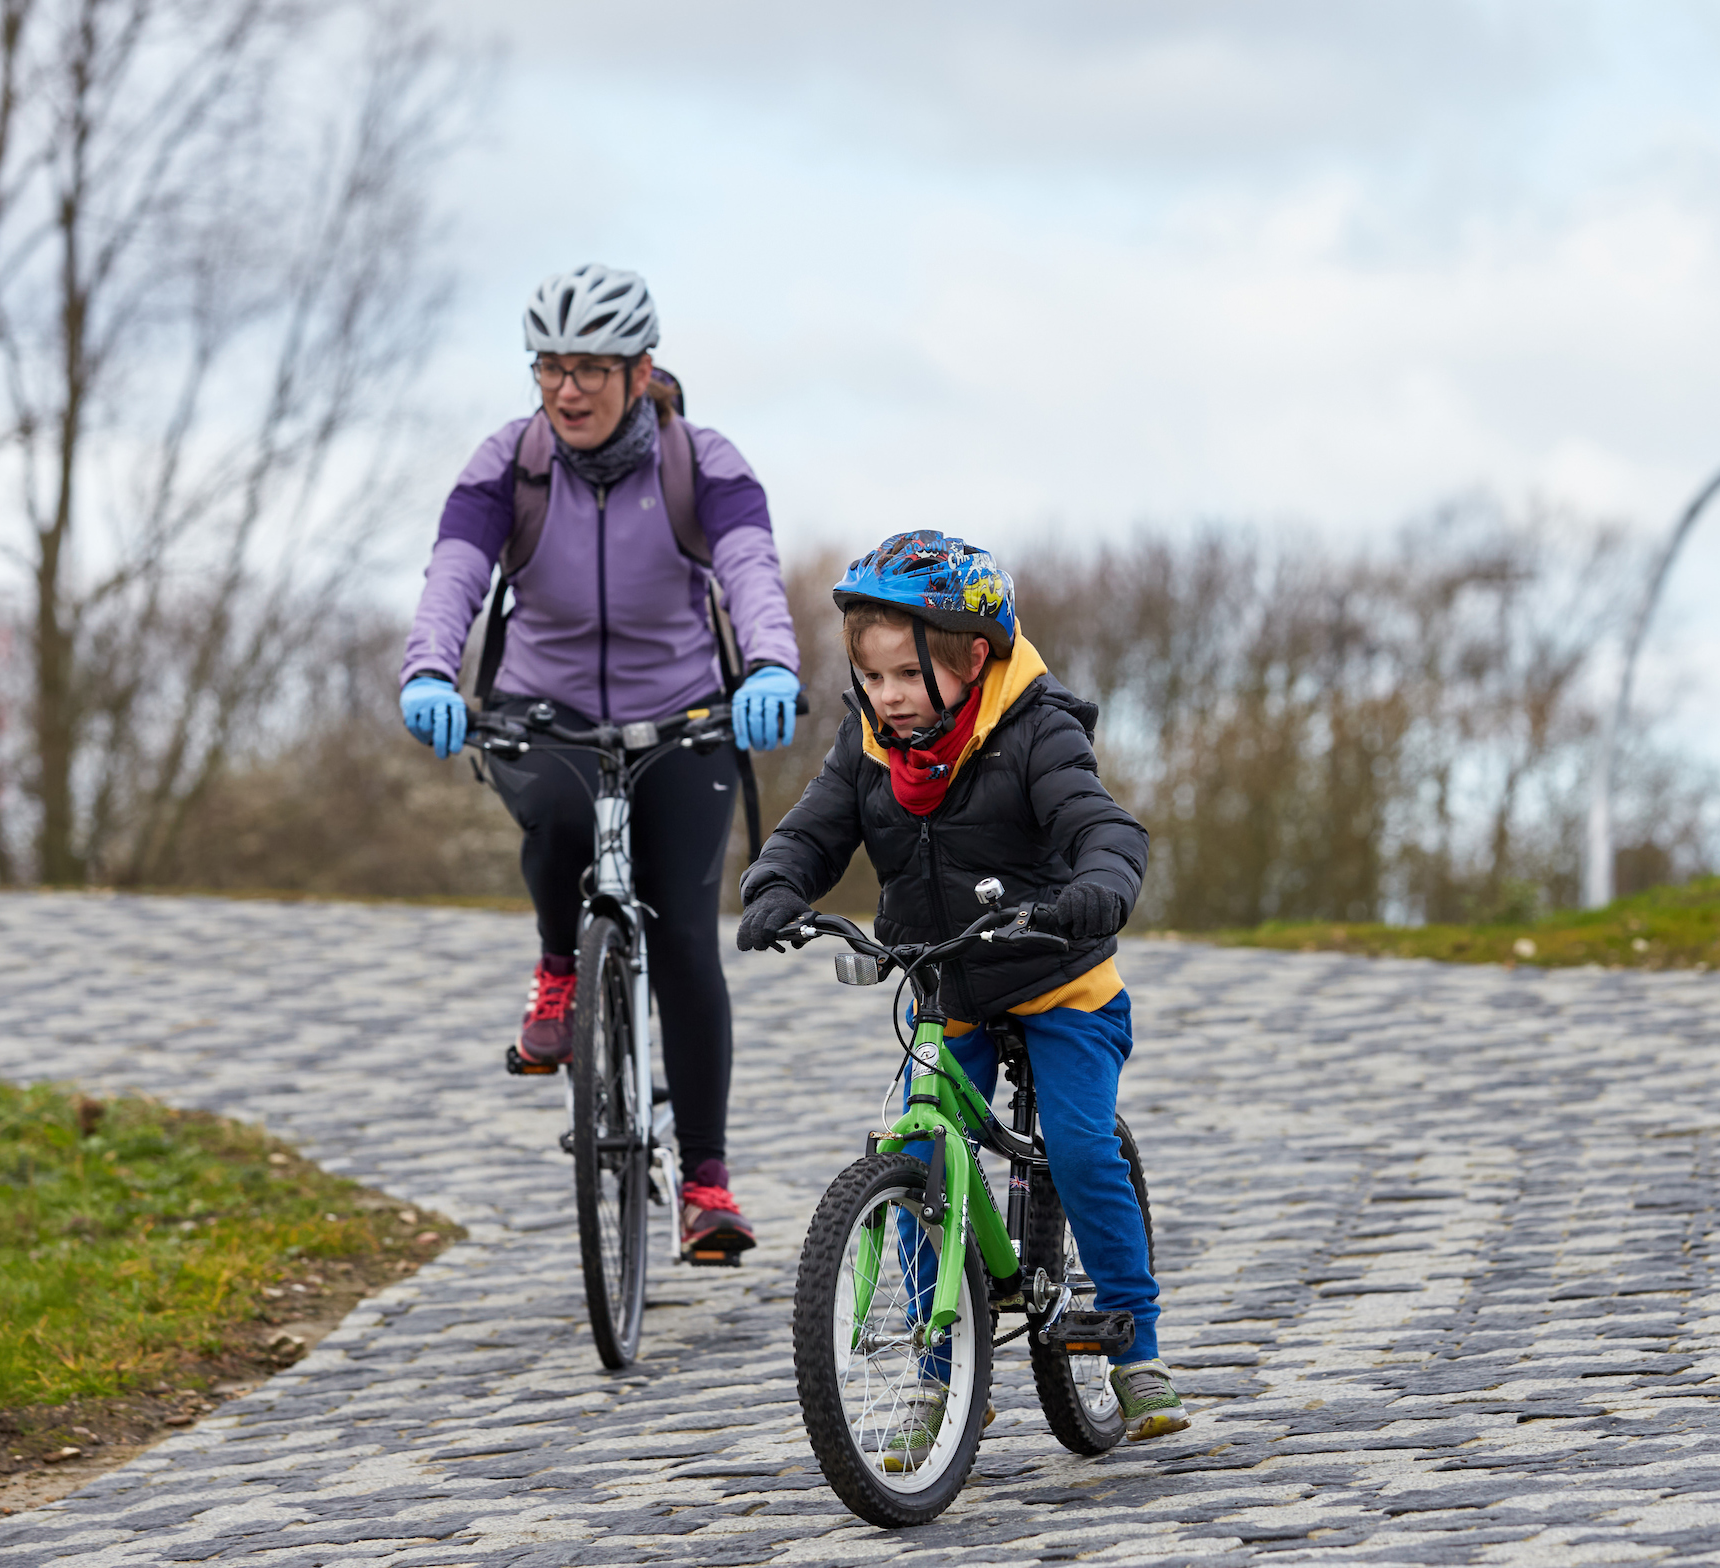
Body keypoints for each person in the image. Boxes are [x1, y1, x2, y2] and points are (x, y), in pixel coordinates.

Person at [735, 529, 1189, 1444]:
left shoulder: (1036, 729)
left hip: (1061, 980)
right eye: (871, 677)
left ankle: (1135, 1347)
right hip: (948, 986)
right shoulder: (869, 745)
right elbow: (815, 832)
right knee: (924, 1153)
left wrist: (1096, 887)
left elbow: (1102, 825)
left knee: (1077, 1141)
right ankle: (942, 1383)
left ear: (971, 660)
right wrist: (776, 884)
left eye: (905, 675)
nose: (887, 697)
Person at [398, 263, 801, 1258]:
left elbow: (751, 570)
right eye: (548, 367)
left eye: (588, 368)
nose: (566, 389)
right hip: (549, 705)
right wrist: (429, 674)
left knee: (688, 948)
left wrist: (770, 668)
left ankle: (704, 1181)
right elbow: (455, 572)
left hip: (685, 717)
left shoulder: (701, 463)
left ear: (639, 370)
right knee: (558, 812)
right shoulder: (511, 463)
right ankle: (557, 968)